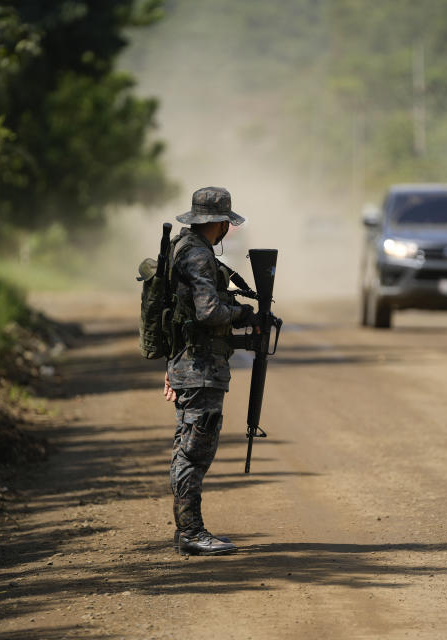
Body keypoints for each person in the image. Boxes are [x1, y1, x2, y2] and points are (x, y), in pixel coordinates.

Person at [163, 186, 258, 556]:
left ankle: (188, 530)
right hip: (200, 366)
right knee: (194, 451)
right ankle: (191, 532)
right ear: (218, 223)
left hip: (191, 362)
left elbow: (178, 314)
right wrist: (242, 314)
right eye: (225, 224)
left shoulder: (184, 249)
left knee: (186, 447)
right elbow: (207, 312)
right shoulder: (199, 257)